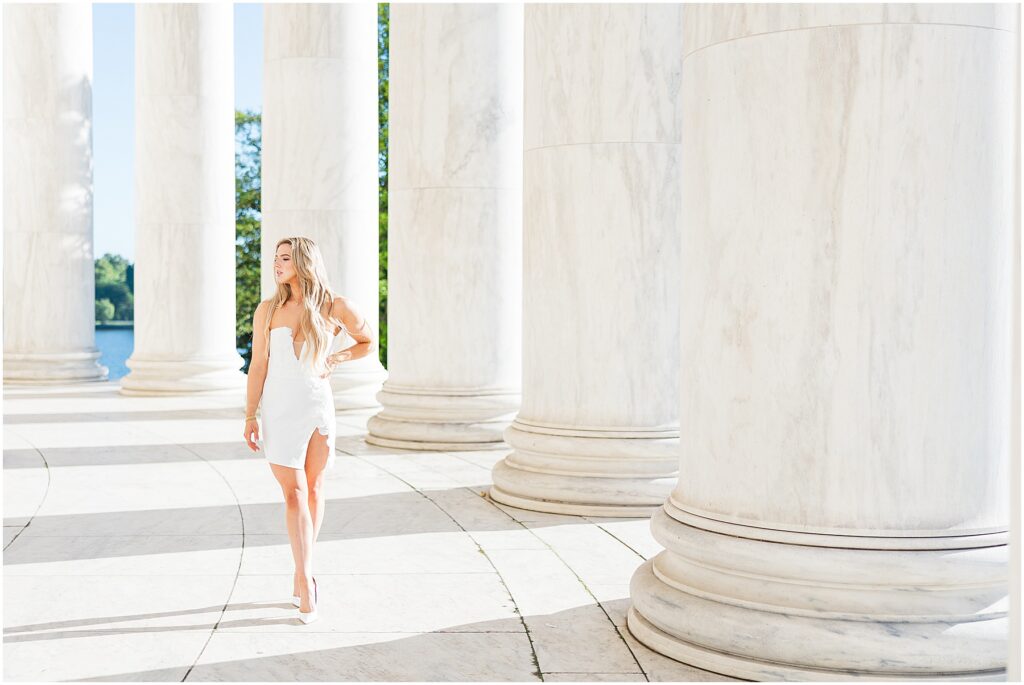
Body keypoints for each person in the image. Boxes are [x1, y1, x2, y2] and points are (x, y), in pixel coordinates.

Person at [242, 236, 376, 624]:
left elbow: (368, 341)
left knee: (314, 489)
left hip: (317, 406)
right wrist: (251, 415)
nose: (277, 265)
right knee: (294, 493)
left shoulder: (335, 305)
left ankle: (305, 568)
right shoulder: (268, 310)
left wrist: (337, 356)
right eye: (276, 259)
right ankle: (304, 577)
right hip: (279, 408)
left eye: (285, 258)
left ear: (303, 262)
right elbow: (257, 366)